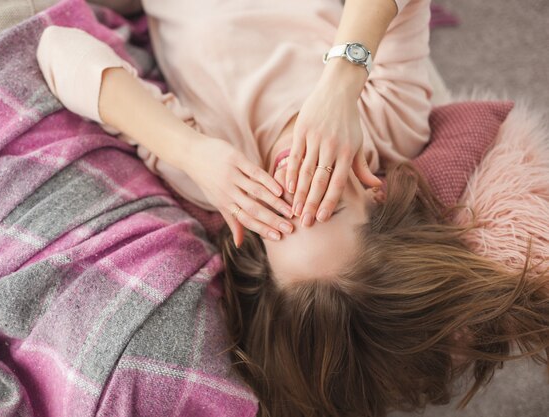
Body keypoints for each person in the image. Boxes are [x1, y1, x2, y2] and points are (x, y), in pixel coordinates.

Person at [37, 0, 549, 416]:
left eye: (280, 224)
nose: (291, 186)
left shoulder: (217, 176)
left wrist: (187, 149)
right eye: (323, 206)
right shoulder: (390, 123)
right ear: (377, 197)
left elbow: (57, 46)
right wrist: (341, 85)